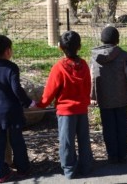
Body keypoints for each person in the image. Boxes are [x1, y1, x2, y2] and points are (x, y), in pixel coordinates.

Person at [0, 28, 35, 183]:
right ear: (8, 51)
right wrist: (28, 102)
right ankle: (23, 168)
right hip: (13, 111)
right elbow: (16, 88)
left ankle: (0, 172)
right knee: (17, 141)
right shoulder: (11, 67)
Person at [37, 31, 93, 179]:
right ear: (79, 46)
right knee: (84, 139)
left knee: (66, 142)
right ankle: (86, 167)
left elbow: (50, 91)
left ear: (60, 47)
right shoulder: (84, 65)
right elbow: (88, 86)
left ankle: (69, 170)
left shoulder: (58, 67)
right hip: (81, 108)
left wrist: (41, 105)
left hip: (65, 111)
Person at [90, 26, 127, 164]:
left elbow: (92, 77)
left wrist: (92, 96)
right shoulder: (123, 55)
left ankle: (112, 155)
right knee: (122, 127)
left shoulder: (94, 57)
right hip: (121, 99)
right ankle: (123, 154)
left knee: (108, 128)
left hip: (104, 99)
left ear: (102, 39)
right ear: (118, 40)